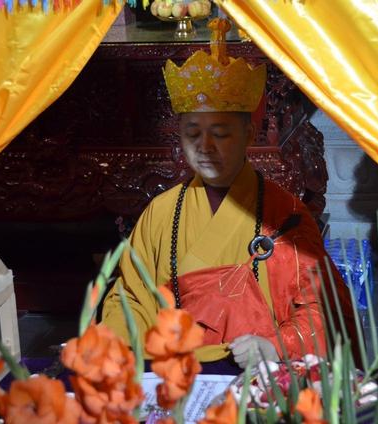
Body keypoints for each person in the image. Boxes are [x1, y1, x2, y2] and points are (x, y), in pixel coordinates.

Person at [102, 18, 357, 368]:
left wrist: (275, 346)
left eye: (220, 133)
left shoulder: (284, 215)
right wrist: (120, 346)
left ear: (249, 135)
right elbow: (130, 297)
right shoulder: (161, 214)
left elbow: (322, 308)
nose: (205, 147)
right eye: (193, 133)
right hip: (173, 371)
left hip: (255, 369)